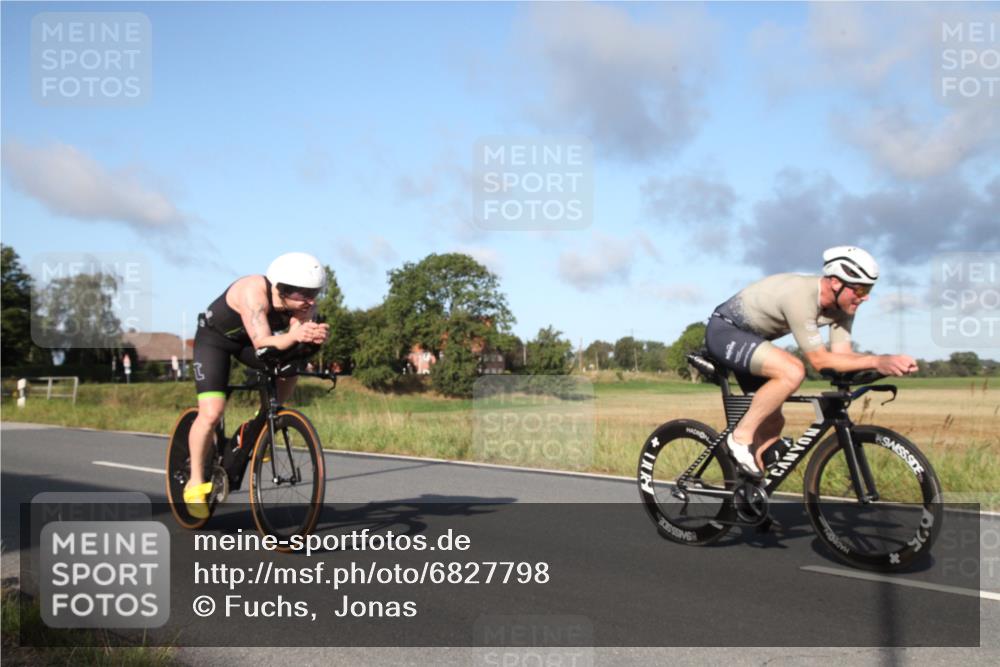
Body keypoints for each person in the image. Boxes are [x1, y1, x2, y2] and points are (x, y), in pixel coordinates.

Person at [704, 246, 917, 478]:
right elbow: (819, 360)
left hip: (755, 341)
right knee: (793, 370)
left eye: (869, 289)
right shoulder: (800, 296)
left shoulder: (844, 306)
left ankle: (750, 500)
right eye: (860, 289)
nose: (865, 297)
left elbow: (841, 355)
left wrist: (886, 364)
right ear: (836, 283)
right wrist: (877, 361)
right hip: (725, 331)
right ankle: (739, 438)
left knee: (772, 423)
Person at [184, 252, 330, 517]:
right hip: (215, 341)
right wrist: (296, 334)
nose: (310, 301)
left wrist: (312, 338)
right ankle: (194, 481)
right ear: (281, 288)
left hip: (248, 345)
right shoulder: (253, 291)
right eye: (304, 294)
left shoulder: (306, 305)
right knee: (212, 412)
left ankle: (261, 423)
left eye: (315, 293)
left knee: (290, 365)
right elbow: (263, 341)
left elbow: (293, 341)